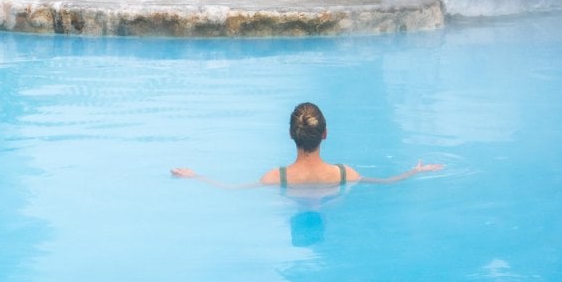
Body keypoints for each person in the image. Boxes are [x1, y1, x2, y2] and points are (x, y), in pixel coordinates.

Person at [171, 102, 444, 190]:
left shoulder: (275, 179)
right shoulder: (345, 174)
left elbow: (231, 189)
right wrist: (415, 172)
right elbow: (385, 182)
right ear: (325, 134)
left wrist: (197, 176)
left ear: (292, 135)